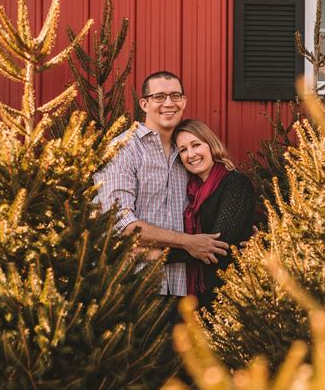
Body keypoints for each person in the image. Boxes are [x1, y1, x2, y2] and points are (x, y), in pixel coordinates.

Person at [93, 71, 229, 302]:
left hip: (184, 287)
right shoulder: (123, 150)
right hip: (131, 284)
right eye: (159, 97)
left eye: (175, 96)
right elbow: (119, 224)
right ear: (144, 104)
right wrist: (188, 242)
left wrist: (242, 231)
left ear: (184, 102)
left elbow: (209, 204)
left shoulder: (187, 154)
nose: (169, 103)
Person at [168, 119, 255, 311]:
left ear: (211, 144)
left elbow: (218, 246)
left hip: (229, 294)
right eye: (183, 150)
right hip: (195, 298)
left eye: (196, 145)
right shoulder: (190, 192)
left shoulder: (235, 184)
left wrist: (159, 255)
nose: (191, 154)